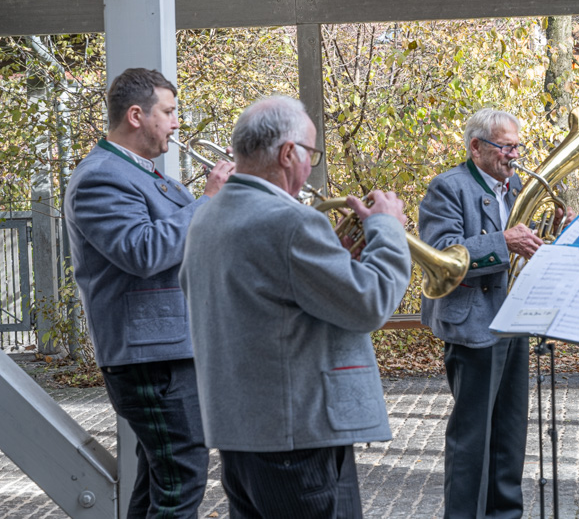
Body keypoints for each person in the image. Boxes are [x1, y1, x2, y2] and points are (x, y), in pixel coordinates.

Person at [179, 95, 411, 519]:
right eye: (311, 154)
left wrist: (335, 264)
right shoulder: (291, 221)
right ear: (288, 153)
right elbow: (372, 303)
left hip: (242, 434)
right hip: (298, 436)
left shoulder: (207, 218)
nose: (310, 166)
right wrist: (387, 229)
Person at [64, 67, 234, 518]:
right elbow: (141, 251)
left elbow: (185, 247)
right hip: (150, 356)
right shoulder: (101, 177)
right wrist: (209, 200)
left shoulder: (146, 175)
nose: (177, 123)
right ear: (136, 115)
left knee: (163, 478)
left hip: (167, 351)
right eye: (169, 112)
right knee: (183, 475)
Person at [419, 108, 546, 519]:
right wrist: (502, 241)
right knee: (472, 436)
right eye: (506, 147)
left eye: (517, 146)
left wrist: (551, 228)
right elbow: (441, 253)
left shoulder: (517, 186)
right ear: (476, 147)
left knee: (510, 430)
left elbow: (525, 246)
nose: (515, 155)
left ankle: (505, 514)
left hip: (513, 318)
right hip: (473, 322)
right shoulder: (448, 187)